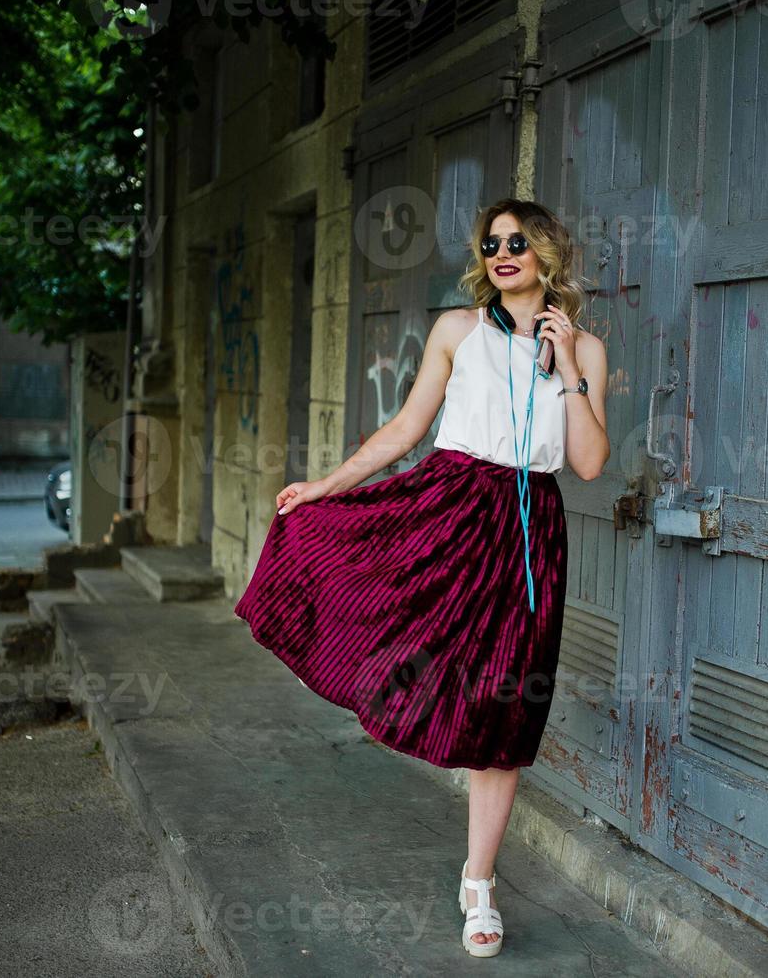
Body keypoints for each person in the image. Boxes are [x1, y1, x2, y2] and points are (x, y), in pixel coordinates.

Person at [232, 198, 610, 958]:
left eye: (518, 241)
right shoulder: (456, 331)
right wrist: (325, 487)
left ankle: (478, 884)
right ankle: (396, 708)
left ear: (544, 253)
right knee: (413, 651)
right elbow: (405, 430)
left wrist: (566, 366)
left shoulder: (586, 352)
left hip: (529, 532)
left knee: (505, 716)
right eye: (492, 242)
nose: (503, 252)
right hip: (445, 505)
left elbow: (590, 463)